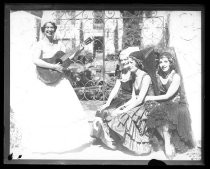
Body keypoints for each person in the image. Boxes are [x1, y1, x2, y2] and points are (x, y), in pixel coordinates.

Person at [19, 20, 92, 155]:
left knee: (63, 110)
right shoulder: (39, 44)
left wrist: (79, 50)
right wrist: (53, 66)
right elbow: (35, 60)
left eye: (52, 28)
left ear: (55, 29)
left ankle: (65, 144)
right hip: (44, 80)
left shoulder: (59, 44)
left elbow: (67, 60)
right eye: (47, 28)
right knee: (46, 111)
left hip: (59, 79)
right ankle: (45, 144)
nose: (50, 30)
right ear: (43, 30)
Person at [90, 48, 154, 155]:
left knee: (113, 113)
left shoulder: (135, 72)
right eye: (122, 60)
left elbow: (138, 98)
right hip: (126, 99)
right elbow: (116, 88)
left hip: (130, 100)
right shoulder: (123, 71)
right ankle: (102, 136)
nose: (125, 62)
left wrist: (121, 109)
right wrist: (108, 102)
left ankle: (115, 138)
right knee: (103, 110)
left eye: (127, 60)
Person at [144, 51, 195, 159]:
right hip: (165, 103)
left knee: (165, 117)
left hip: (176, 104)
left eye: (166, 61)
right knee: (152, 112)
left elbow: (167, 96)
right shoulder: (159, 75)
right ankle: (168, 141)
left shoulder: (175, 76)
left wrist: (150, 97)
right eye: (161, 62)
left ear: (171, 62)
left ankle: (167, 144)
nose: (163, 64)